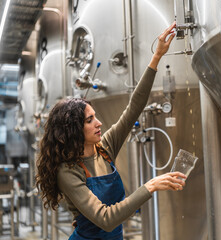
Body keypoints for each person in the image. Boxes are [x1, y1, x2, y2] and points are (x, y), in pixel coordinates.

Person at [35, 21, 186, 240]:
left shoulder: (104, 149)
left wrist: (157, 57)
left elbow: (134, 107)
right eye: (90, 120)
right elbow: (106, 219)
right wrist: (150, 186)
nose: (99, 123)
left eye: (96, 117)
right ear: (74, 130)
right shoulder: (67, 171)